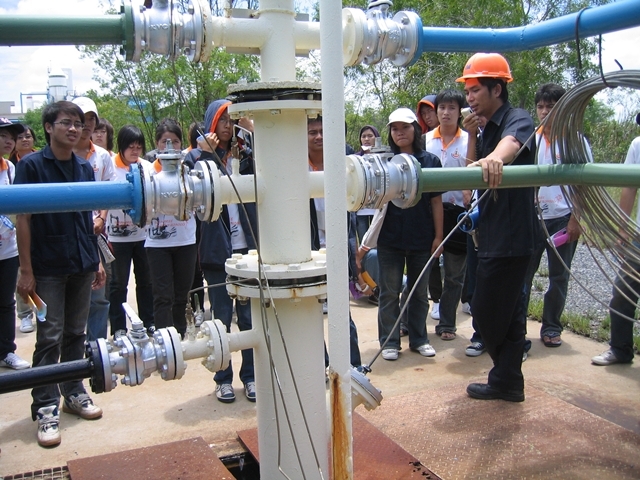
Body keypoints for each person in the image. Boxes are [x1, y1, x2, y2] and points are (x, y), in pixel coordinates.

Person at [15, 101, 105, 447]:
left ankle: (73, 391)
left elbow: (86, 217)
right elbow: (23, 219)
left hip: (81, 262)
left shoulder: (83, 167)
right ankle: (45, 406)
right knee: (49, 336)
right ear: (48, 127)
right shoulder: (32, 166)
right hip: (48, 266)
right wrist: (26, 270)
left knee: (75, 332)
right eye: (66, 122)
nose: (73, 129)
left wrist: (96, 260)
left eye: (78, 124)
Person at [456, 53, 536, 402]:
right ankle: (508, 380)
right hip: (490, 232)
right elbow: (473, 170)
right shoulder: (485, 127)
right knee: (507, 313)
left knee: (487, 311)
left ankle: (505, 376)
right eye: (467, 92)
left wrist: (495, 158)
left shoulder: (517, 118)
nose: (469, 98)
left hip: (512, 235)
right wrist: (474, 137)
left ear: (497, 89)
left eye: (475, 90)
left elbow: (512, 144)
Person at [186, 100, 257, 403]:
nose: (228, 126)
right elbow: (194, 193)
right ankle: (223, 378)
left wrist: (252, 133)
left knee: (250, 318)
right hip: (217, 251)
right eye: (222, 120)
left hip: (248, 250)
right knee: (221, 319)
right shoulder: (196, 157)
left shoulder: (246, 154)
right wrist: (206, 154)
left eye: (233, 120)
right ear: (211, 123)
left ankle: (250, 377)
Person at [359, 108, 443, 361]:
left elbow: (436, 202)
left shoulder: (430, 161)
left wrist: (438, 236)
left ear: (415, 129)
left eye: (405, 127)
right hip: (390, 239)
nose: (400, 133)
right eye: (394, 129)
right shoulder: (384, 162)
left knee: (419, 292)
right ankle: (389, 342)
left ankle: (419, 339)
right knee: (389, 292)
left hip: (422, 237)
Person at [523, 83, 589, 348]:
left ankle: (551, 327)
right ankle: (518, 329)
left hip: (563, 217)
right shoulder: (529, 139)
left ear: (563, 108)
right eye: (540, 106)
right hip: (533, 217)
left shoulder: (575, 140)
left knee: (558, 276)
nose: (544, 111)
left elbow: (585, 183)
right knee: (523, 276)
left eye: (550, 106)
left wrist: (576, 219)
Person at [307, 116, 362, 370]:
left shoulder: (342, 162)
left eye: (322, 131)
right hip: (309, 249)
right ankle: (321, 365)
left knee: (341, 312)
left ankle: (352, 366)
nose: (318, 136)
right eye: (312, 132)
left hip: (337, 246)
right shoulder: (295, 165)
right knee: (311, 312)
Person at [424, 89, 470, 341]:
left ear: (460, 112)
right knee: (423, 267)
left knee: (454, 274)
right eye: (442, 107)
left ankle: (447, 324)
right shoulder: (425, 140)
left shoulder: (470, 140)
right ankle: (411, 322)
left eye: (452, 107)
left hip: (459, 214)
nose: (446, 112)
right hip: (429, 213)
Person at [592, 127, 640, 366]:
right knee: (623, 292)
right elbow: (629, 186)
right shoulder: (638, 144)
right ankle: (620, 349)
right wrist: (622, 230)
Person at [145, 119, 197, 339]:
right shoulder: (147, 173)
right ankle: (164, 339)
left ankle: (180, 335)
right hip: (157, 245)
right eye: (165, 141)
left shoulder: (189, 172)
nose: (170, 146)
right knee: (162, 295)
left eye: (175, 141)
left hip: (186, 241)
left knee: (182, 294)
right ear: (157, 144)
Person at [72, 97, 116, 341]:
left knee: (98, 295)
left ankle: (97, 347)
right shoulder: (61, 155)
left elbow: (109, 192)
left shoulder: (102, 156)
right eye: (82, 118)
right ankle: (73, 348)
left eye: (92, 119)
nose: (87, 124)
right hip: (69, 235)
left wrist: (101, 218)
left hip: (96, 234)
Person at [107, 125, 155, 337]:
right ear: (121, 146)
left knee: (146, 281)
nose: (135, 151)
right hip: (117, 237)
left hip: (144, 236)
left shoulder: (147, 167)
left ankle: (149, 321)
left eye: (138, 147)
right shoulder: (110, 167)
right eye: (131, 147)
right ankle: (118, 327)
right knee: (118, 284)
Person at [0, 118, 30, 370]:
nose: (9, 141)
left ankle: (5, 351)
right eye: (3, 136)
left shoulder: (9, 168)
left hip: (7, 249)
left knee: (6, 302)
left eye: (12, 136)